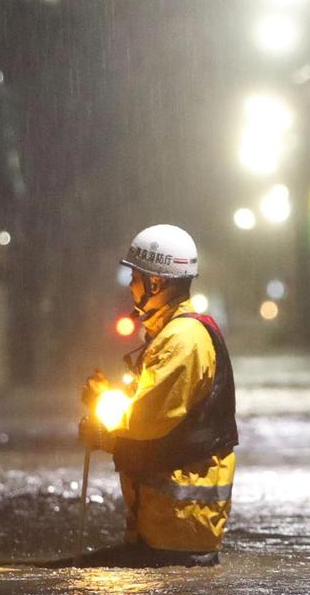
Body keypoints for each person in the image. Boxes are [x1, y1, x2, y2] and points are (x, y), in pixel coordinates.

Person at [61, 225, 238, 568]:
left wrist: (102, 428)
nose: (130, 286)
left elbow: (143, 422)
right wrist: (105, 397)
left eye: (135, 277)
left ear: (156, 283)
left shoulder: (182, 339)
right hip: (170, 530)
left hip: (177, 531)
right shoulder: (173, 334)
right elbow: (152, 407)